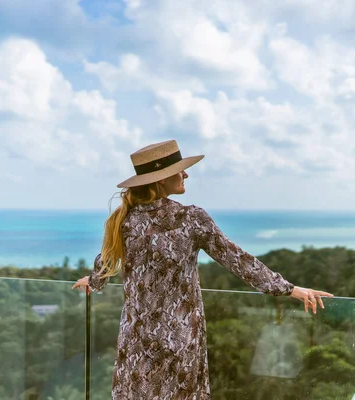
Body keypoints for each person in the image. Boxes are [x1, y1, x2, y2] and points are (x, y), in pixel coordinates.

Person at [72, 140, 333, 399]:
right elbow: (237, 260)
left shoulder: (124, 220)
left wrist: (93, 282)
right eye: (179, 169)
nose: (186, 173)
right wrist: (289, 290)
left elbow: (106, 262)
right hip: (180, 339)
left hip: (137, 341)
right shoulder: (190, 218)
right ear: (161, 179)